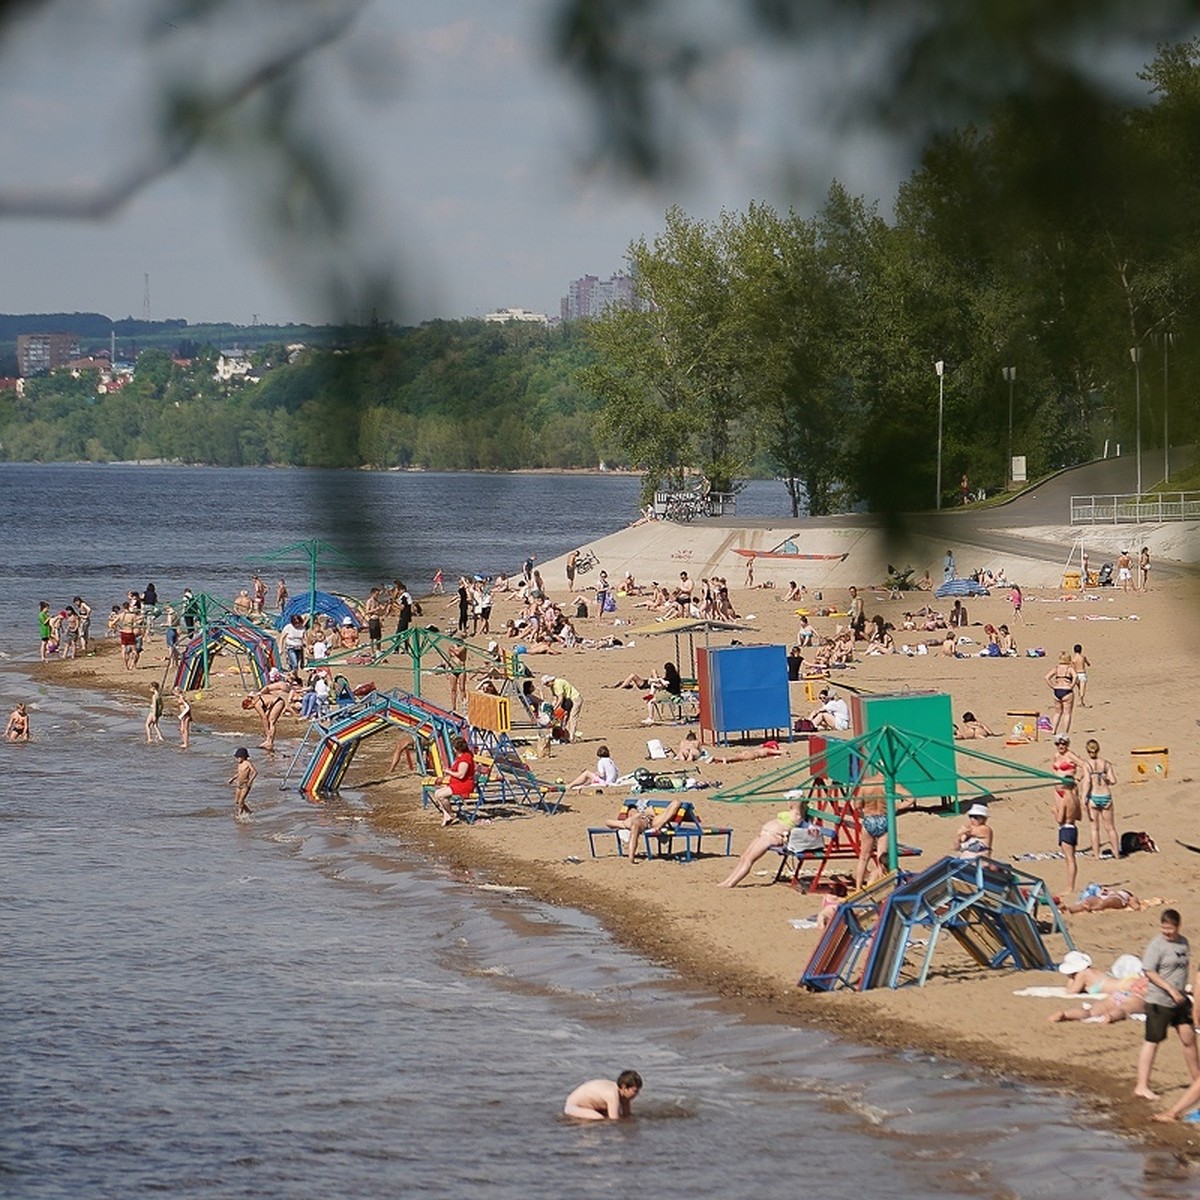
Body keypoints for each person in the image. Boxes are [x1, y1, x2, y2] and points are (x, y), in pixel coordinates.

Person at [1134, 909, 1200, 1101]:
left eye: (1170, 929)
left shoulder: (1184, 943)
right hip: (1159, 1001)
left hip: (1179, 1001)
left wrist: (1180, 993)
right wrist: (1170, 990)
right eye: (1164, 929)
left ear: (1178, 926)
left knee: (1189, 1038)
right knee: (1153, 1041)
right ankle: (1142, 1085)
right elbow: (1149, 971)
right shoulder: (1157, 945)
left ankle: (1196, 1080)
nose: (1167, 933)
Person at [717, 800, 805, 887]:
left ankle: (731, 883)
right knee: (744, 857)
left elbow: (798, 823)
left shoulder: (797, 814)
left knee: (749, 859)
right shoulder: (794, 812)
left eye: (790, 800)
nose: (788, 801)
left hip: (772, 837)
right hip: (766, 835)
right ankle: (728, 881)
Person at [853, 771, 916, 890]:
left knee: (863, 857)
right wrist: (896, 807)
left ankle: (858, 888)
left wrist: (866, 808)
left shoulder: (866, 783)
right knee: (881, 857)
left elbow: (857, 805)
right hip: (884, 818)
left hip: (869, 819)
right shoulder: (889, 784)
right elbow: (911, 798)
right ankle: (881, 886)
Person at [1047, 951, 1147, 1025]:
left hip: (1120, 994)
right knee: (1123, 1009)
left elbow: (1071, 990)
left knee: (1091, 1011)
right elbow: (1072, 991)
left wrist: (1070, 978)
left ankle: (1066, 1015)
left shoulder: (1083, 974)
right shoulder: (1085, 973)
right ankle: (1111, 1017)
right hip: (1135, 995)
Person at [606, 794, 685, 861]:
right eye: (631, 811)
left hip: (651, 821)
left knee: (676, 802)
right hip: (650, 822)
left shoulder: (628, 822)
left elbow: (608, 822)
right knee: (634, 829)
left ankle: (631, 856)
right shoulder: (628, 822)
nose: (632, 812)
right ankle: (631, 856)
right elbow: (608, 822)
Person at [1083, 738, 1120, 862]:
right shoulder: (1105, 764)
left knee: (1094, 828)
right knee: (1110, 827)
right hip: (1106, 796)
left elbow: (1087, 782)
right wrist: (1106, 780)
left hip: (1093, 796)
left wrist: (1083, 798)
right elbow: (1113, 780)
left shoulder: (1087, 765)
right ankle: (1116, 853)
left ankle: (1096, 855)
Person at [429, 735, 475, 826]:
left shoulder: (464, 760)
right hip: (457, 784)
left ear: (456, 748)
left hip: (463, 785)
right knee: (437, 792)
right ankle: (447, 816)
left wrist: (448, 771)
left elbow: (461, 775)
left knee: (440, 795)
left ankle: (451, 814)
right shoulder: (463, 756)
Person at [563, 1070, 642, 1121]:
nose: (636, 1094)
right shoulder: (612, 1095)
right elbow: (614, 1120)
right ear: (624, 1087)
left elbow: (627, 1115)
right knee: (600, 1119)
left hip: (591, 1105)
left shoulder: (624, 1096)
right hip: (573, 1106)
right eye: (635, 1091)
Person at [1052, 774, 1082, 892]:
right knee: (1071, 859)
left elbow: (1060, 819)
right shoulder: (1076, 798)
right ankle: (1070, 885)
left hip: (1065, 828)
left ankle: (1070, 887)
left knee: (1070, 860)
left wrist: (1055, 811)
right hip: (1073, 828)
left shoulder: (1065, 799)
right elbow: (1079, 816)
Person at [542, 674, 583, 742]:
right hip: (567, 702)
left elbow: (560, 699)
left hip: (575, 699)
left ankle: (571, 737)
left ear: (550, 681)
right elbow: (555, 698)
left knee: (572, 718)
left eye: (547, 684)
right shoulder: (552, 687)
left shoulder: (558, 684)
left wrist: (554, 709)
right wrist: (551, 708)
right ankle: (566, 736)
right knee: (565, 718)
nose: (547, 686)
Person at [1044, 652, 1077, 736]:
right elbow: (1075, 676)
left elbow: (1047, 677)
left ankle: (1053, 730)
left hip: (1057, 690)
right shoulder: (1069, 669)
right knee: (1067, 713)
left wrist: (1053, 686)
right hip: (1066, 690)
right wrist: (1072, 685)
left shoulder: (1057, 668)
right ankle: (1065, 732)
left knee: (1057, 713)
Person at [228, 747, 257, 816]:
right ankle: (249, 811)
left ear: (244, 757)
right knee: (237, 801)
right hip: (239, 784)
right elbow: (239, 773)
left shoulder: (247, 763)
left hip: (245, 785)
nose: (238, 759)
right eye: (237, 757)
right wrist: (232, 778)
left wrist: (250, 781)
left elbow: (255, 772)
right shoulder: (239, 764)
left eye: (239, 757)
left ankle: (239, 816)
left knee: (241, 801)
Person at [708, 740, 785, 764]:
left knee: (737, 758)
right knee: (737, 758)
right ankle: (719, 759)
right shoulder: (768, 750)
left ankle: (717, 759)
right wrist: (783, 751)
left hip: (750, 752)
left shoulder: (764, 749)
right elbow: (779, 752)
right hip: (752, 755)